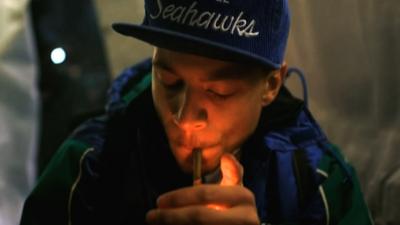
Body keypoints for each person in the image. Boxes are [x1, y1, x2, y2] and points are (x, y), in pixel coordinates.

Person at [20, 0, 373, 224]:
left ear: (271, 85)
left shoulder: (317, 182)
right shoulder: (87, 169)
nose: (185, 118)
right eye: (169, 81)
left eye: (218, 92)